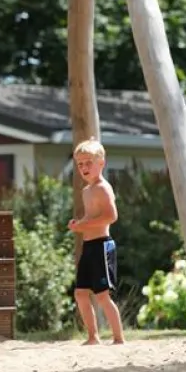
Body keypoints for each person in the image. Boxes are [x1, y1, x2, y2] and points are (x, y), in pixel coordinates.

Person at [68, 137, 125, 345]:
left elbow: (111, 217)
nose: (83, 167)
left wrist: (85, 225)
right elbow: (91, 218)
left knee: (102, 296)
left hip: (102, 245)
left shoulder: (103, 188)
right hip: (88, 246)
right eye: (80, 164)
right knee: (81, 293)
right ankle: (93, 336)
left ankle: (119, 338)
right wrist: (79, 224)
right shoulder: (86, 191)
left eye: (88, 163)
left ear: (101, 163)